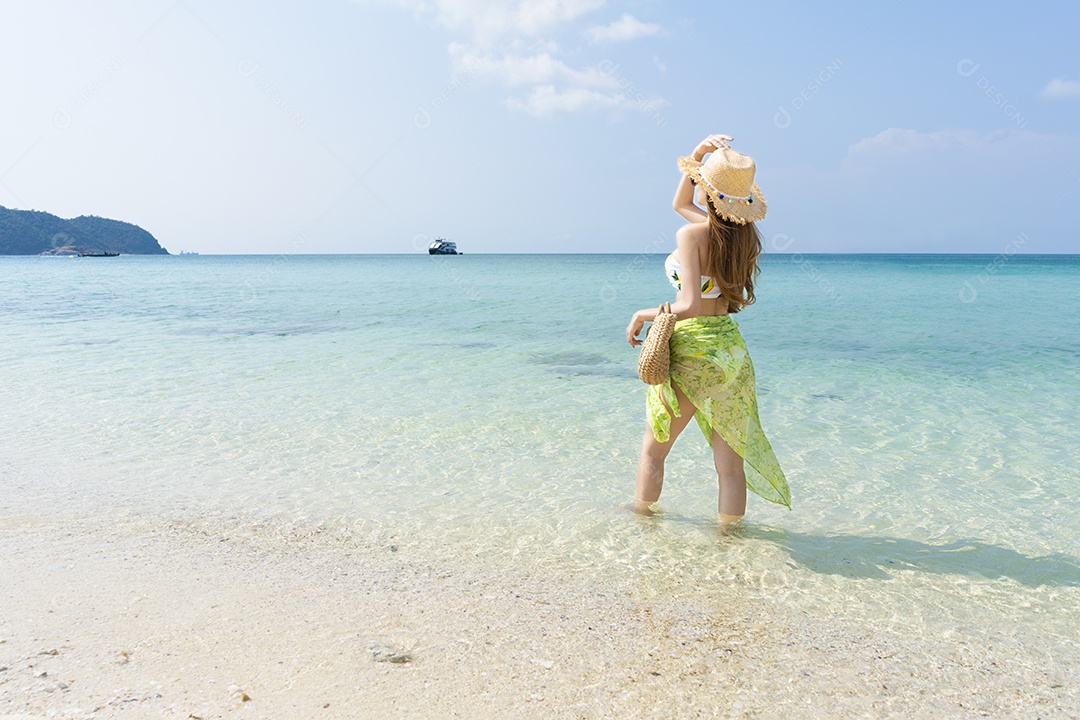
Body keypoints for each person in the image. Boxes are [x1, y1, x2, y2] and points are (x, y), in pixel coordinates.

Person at [625, 134, 791, 531]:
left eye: (701, 180)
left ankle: (640, 523)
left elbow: (688, 307)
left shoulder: (693, 235)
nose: (696, 184)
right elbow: (680, 204)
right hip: (730, 349)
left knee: (654, 450)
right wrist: (696, 158)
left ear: (710, 192)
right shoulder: (742, 236)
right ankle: (729, 539)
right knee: (730, 463)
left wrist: (641, 314)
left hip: (695, 348)